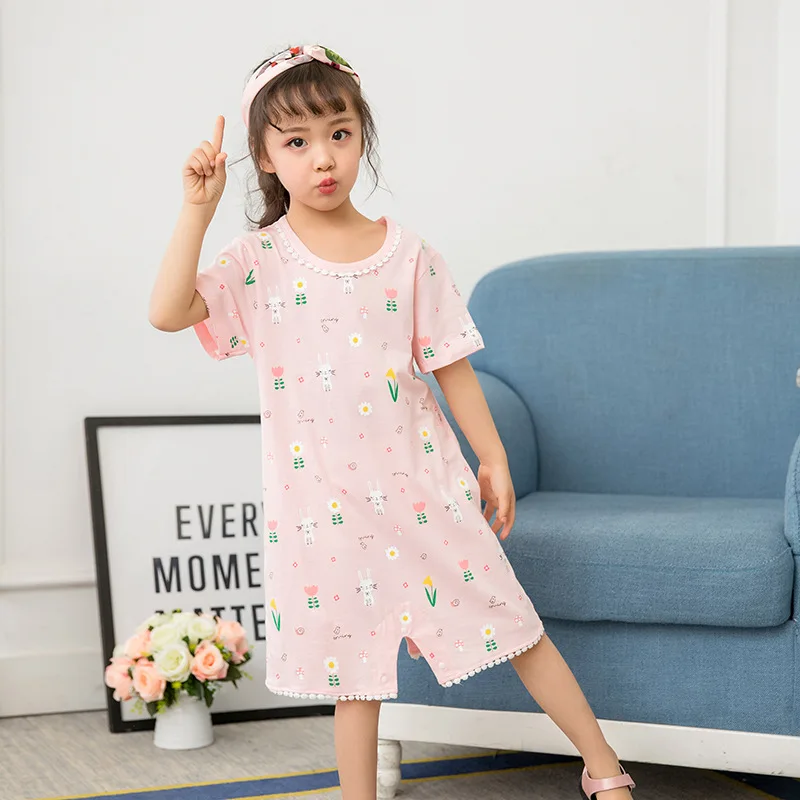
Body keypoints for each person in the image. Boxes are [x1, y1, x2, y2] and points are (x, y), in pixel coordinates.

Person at [148, 43, 637, 800]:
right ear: (265, 158)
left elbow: (451, 364)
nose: (323, 158)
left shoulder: (409, 255)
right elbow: (167, 312)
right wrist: (196, 210)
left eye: (339, 134)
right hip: (325, 511)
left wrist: (492, 457)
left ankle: (603, 768)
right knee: (356, 679)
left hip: (424, 489)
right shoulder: (259, 262)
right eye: (297, 142)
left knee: (515, 625)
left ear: (362, 136)